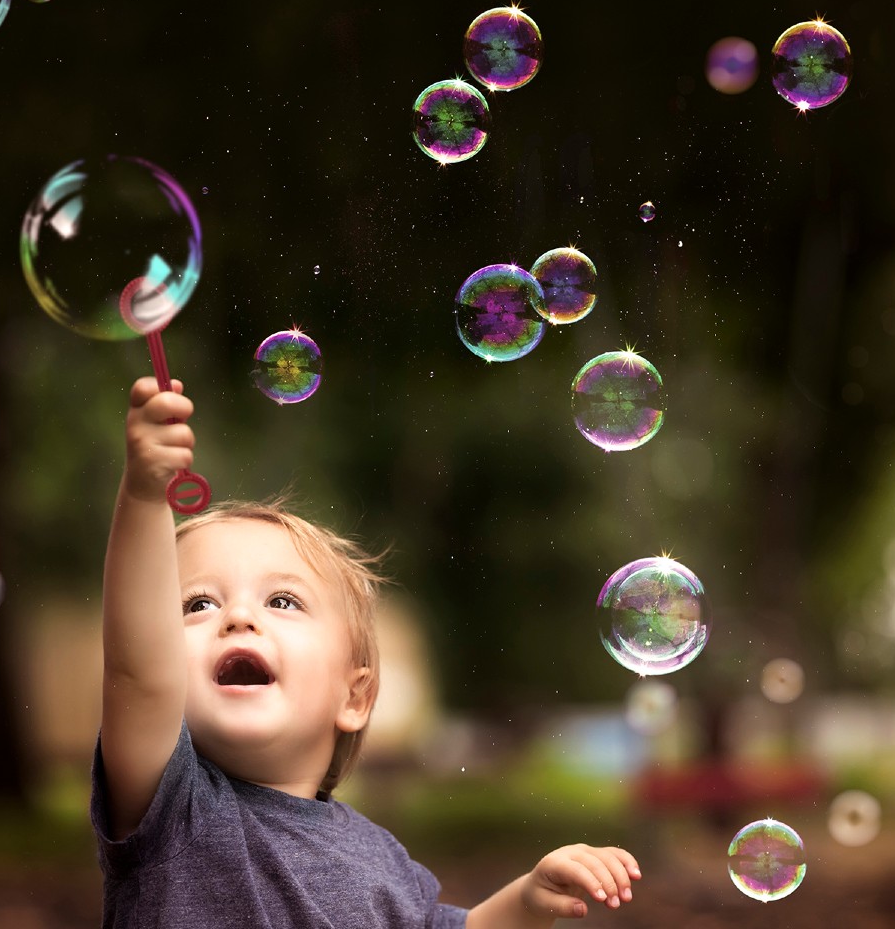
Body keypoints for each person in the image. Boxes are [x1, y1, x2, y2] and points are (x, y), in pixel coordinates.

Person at [91, 375, 642, 928]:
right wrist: (144, 493)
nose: (238, 616)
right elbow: (140, 671)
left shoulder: (382, 859)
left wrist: (525, 902)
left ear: (353, 696)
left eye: (282, 600)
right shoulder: (173, 811)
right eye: (196, 604)